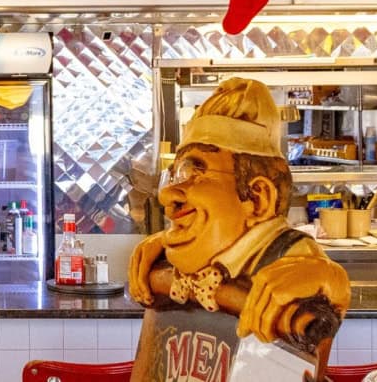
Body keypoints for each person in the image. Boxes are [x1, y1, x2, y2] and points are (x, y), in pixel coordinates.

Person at [128, 77, 349, 380]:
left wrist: (329, 279)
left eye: (196, 171)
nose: (167, 195)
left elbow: (323, 303)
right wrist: (164, 243)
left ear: (258, 199)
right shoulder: (173, 262)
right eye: (176, 174)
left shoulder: (288, 256)